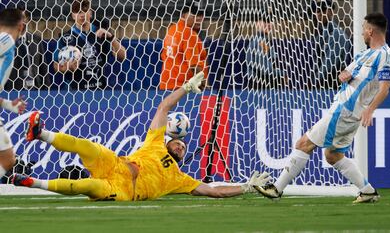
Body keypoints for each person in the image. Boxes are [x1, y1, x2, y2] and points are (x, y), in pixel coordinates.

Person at [12, 72, 270, 200]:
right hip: (115, 163)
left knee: (87, 186)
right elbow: (163, 107)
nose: (180, 148)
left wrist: (246, 186)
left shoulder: (179, 179)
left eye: (182, 148)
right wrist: (185, 88)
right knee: (86, 146)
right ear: (170, 139)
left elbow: (215, 191)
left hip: (124, 189)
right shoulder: (155, 141)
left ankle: (31, 182)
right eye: (178, 144)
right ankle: (40, 133)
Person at [255, 13, 390, 203]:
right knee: (333, 155)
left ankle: (276, 189)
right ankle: (368, 191)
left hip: (344, 111)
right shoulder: (365, 54)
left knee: (303, 144)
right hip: (347, 111)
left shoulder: (384, 56)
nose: (362, 32)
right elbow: (346, 73)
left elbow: (385, 88)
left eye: (363, 29)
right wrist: (344, 75)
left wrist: (370, 109)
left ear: (370, 31)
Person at [53, 0, 126, 90]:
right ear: (73, 15)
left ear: (90, 13)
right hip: (75, 90)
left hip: (100, 89)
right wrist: (68, 67)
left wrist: (111, 37)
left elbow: (122, 56)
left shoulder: (101, 33)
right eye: (78, 12)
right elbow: (56, 66)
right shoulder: (65, 38)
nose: (82, 15)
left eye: (85, 11)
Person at [0, 8, 27, 182]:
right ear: (21, 25)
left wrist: (8, 105)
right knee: (7, 159)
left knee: (8, 159)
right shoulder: (6, 40)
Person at [160, 5, 208, 90]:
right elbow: (194, 65)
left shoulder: (172, 29)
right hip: (184, 89)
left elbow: (164, 56)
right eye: (194, 15)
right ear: (183, 15)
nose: (198, 19)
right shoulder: (189, 33)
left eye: (201, 15)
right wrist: (204, 85)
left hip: (166, 84)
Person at [4, 10, 51, 90]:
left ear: (27, 19)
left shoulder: (36, 40)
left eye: (22, 18)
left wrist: (46, 89)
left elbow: (43, 67)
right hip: (13, 91)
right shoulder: (5, 42)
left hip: (35, 89)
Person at [312, 0, 352, 89]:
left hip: (333, 81)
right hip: (323, 79)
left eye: (321, 10)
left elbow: (330, 62)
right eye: (316, 10)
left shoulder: (336, 33)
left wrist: (316, 80)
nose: (318, 14)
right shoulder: (320, 32)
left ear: (330, 11)